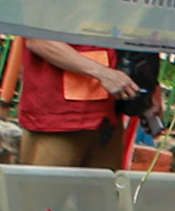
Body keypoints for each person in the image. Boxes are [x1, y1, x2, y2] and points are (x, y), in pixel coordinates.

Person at [13, 36, 135, 168]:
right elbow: (39, 40)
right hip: (58, 118)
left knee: (105, 180)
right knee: (46, 180)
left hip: (106, 116)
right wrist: (103, 73)